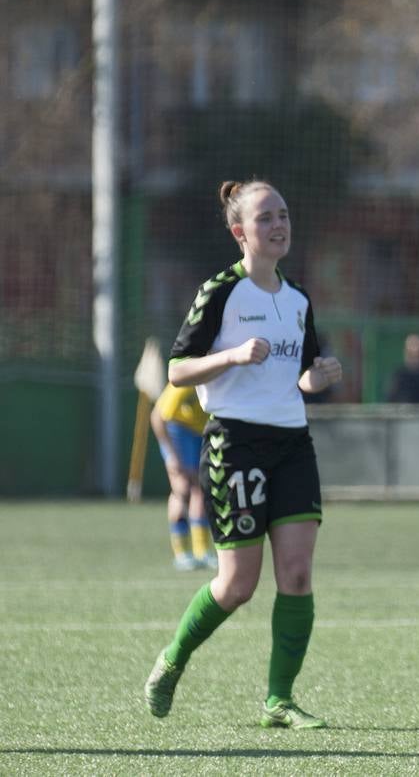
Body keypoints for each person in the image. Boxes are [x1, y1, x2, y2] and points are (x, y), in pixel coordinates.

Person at [143, 179, 343, 729]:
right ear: (240, 233)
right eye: (265, 218)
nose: (278, 225)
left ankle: (279, 700)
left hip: (292, 444)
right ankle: (172, 660)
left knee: (297, 575)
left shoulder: (298, 298)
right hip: (234, 445)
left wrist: (319, 375)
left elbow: (302, 376)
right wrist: (230, 356)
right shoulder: (221, 292)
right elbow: (177, 370)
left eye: (283, 214)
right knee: (237, 585)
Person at [149, 382, 215, 570]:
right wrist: (171, 455)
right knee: (182, 489)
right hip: (177, 431)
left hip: (200, 432)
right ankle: (182, 553)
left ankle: (202, 551)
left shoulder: (219, 376)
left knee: (201, 488)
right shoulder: (187, 380)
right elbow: (157, 417)